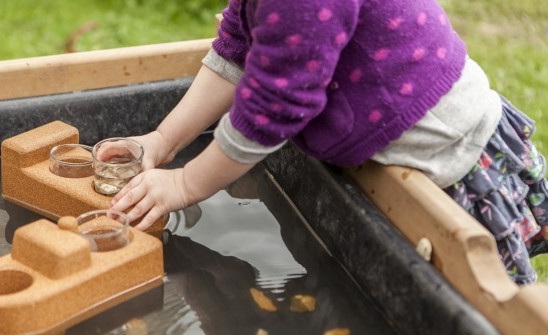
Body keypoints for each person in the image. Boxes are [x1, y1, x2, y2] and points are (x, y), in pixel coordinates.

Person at [97, 0, 548, 285]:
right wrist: (162, 141)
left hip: (453, 158)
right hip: (392, 142)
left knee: (470, 304)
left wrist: (184, 186)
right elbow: (237, 49)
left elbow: (274, 106)